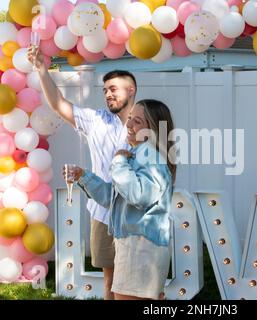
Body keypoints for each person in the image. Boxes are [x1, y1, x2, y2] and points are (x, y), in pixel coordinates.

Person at [27, 47, 137, 300]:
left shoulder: (146, 120)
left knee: (135, 278)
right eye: (106, 90)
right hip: (103, 213)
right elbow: (58, 104)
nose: (108, 94)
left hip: (136, 213)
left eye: (114, 89)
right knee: (110, 276)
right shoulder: (96, 119)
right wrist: (42, 68)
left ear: (130, 91)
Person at [66, 99, 176, 300]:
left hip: (141, 249)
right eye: (130, 118)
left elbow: (138, 196)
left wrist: (118, 162)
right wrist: (85, 176)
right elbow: (115, 198)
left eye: (138, 121)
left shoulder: (150, 157)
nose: (129, 125)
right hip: (133, 246)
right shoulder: (138, 155)